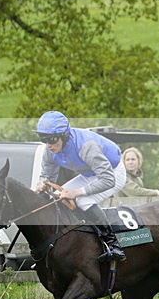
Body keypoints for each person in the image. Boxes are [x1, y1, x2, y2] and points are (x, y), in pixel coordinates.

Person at [34, 111, 127, 262]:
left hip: (113, 174)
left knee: (83, 200)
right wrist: (42, 183)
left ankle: (113, 244)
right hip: (91, 174)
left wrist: (77, 192)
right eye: (43, 139)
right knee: (61, 194)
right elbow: (47, 176)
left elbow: (108, 180)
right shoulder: (49, 151)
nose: (48, 144)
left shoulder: (86, 146)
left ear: (64, 135)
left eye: (51, 139)